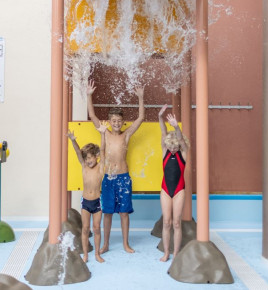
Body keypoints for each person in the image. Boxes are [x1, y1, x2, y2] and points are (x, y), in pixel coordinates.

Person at [86, 79, 145, 254]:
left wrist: (140, 98)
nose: (117, 123)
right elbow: (92, 116)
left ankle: (126, 243)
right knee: (108, 213)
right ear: (110, 121)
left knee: (124, 213)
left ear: (122, 122)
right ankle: (105, 244)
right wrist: (89, 95)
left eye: (119, 120)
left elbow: (141, 118)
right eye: (114, 120)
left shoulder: (126, 135)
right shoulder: (105, 132)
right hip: (108, 178)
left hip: (123, 178)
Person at [67, 127, 107, 263]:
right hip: (85, 202)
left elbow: (103, 150)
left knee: (96, 228)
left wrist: (102, 133)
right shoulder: (84, 166)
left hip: (97, 202)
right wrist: (73, 140)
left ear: (96, 157)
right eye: (86, 158)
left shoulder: (100, 167)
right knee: (85, 228)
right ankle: (85, 255)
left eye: (90, 157)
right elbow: (78, 152)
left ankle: (97, 253)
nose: (88, 160)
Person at [157, 105, 189, 262]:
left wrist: (176, 127)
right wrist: (160, 117)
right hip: (165, 190)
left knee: (177, 223)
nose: (173, 148)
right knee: (166, 222)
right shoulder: (165, 152)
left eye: (175, 146)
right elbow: (163, 133)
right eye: (171, 146)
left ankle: (176, 253)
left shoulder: (183, 153)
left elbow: (182, 140)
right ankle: (166, 252)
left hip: (178, 191)